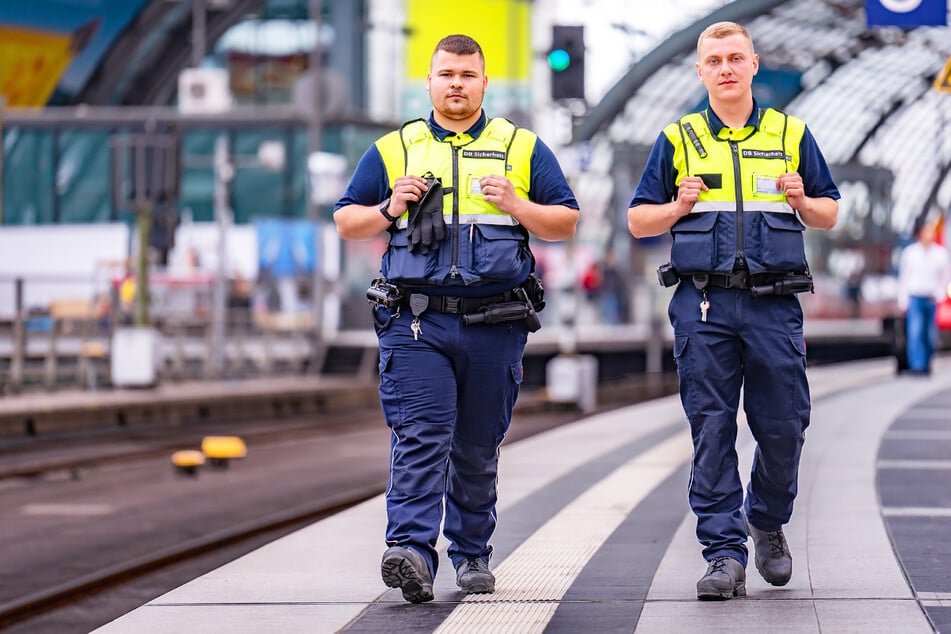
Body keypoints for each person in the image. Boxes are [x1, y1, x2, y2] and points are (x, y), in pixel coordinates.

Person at [334, 34, 579, 603]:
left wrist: (516, 204)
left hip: (495, 323)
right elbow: (347, 222)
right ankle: (413, 551)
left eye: (467, 75)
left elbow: (565, 222)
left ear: (484, 83)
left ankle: (472, 554)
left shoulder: (522, 148)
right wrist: (390, 207)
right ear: (430, 81)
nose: (456, 84)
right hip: (416, 323)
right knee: (421, 437)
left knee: (475, 445)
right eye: (446, 74)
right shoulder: (394, 149)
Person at [627, 21, 840, 600]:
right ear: (700, 71)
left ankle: (766, 519)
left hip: (774, 306)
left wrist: (801, 198)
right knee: (711, 428)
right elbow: (638, 220)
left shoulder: (791, 133)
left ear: (753, 64)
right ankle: (723, 554)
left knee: (785, 426)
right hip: (703, 305)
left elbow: (828, 213)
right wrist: (676, 205)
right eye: (714, 60)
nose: (725, 68)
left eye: (735, 58)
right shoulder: (678, 138)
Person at [897, 216, 950, 375]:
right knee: (915, 332)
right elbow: (904, 277)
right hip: (915, 297)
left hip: (932, 298)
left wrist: (940, 293)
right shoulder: (910, 253)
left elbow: (945, 276)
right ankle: (917, 365)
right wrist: (903, 300)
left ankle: (926, 362)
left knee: (930, 334)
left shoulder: (941, 254)